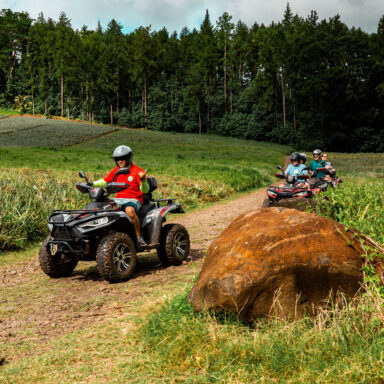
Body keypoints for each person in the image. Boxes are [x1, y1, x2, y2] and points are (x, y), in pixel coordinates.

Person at [93, 145, 149, 247]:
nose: (120, 161)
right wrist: (92, 184)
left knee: (129, 211)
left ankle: (138, 236)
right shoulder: (116, 170)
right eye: (118, 159)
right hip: (118, 199)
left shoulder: (137, 171)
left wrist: (143, 180)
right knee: (102, 209)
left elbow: (145, 190)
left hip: (134, 199)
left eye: (123, 158)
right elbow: (104, 181)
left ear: (129, 158)